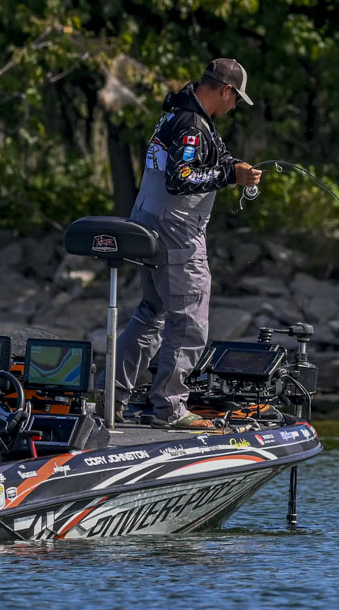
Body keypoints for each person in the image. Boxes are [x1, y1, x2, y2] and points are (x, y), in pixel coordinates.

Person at [104, 58, 262, 428]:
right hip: (175, 231)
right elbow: (181, 178)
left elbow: (212, 156)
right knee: (189, 321)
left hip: (149, 222)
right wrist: (230, 176)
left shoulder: (180, 113)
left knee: (151, 313)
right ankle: (170, 409)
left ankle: (110, 396)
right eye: (235, 99)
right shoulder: (192, 124)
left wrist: (235, 167)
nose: (234, 106)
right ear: (226, 90)